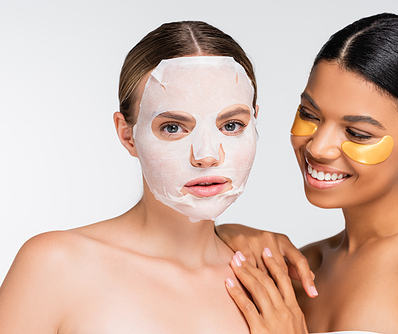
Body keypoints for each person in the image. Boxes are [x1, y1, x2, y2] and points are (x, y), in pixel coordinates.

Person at [218, 13, 398, 333]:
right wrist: (217, 236)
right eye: (309, 114)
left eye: (357, 133)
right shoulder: (303, 270)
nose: (319, 147)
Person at [0, 21, 267, 333]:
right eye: (172, 127)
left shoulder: (266, 282)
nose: (207, 155)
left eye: (231, 125)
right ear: (127, 135)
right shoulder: (55, 265)